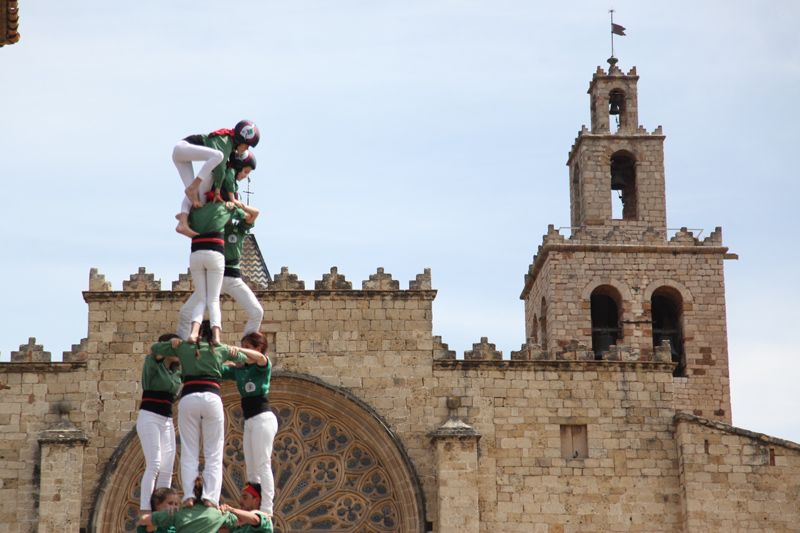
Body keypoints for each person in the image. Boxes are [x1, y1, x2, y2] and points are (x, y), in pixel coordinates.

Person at [150, 322, 267, 508]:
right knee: (214, 452)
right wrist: (233, 352)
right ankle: (210, 497)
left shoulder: (185, 347)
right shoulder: (220, 349)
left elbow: (155, 349)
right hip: (212, 398)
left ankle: (189, 496)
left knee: (189, 451)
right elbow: (250, 358)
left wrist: (172, 343)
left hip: (188, 397)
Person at [177, 195, 262, 340]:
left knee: (257, 312)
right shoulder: (210, 225)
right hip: (212, 278)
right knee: (185, 313)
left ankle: (247, 346)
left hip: (233, 278)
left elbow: (254, 214)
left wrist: (237, 204)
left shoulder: (238, 228)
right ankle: (184, 348)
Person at [173, 120, 260, 237]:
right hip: (182, 148)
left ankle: (183, 223)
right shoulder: (226, 141)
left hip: (181, 157)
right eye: (247, 145)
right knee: (218, 157)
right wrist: (218, 191)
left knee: (194, 195)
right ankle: (193, 187)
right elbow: (220, 167)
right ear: (241, 139)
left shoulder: (229, 145)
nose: (247, 148)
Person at [222, 332, 276, 516]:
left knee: (263, 463)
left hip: (263, 418)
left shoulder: (262, 366)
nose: (243, 351)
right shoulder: (240, 370)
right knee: (252, 469)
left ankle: (267, 509)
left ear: (258, 348)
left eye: (248, 347)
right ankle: (254, 506)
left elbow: (260, 358)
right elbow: (217, 369)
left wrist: (237, 350)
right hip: (250, 421)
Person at [136, 334, 182, 514]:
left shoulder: (176, 371)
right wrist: (170, 345)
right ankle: (146, 509)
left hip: (166, 420)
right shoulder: (152, 363)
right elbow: (155, 351)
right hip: (150, 416)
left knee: (167, 468)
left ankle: (163, 511)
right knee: (154, 463)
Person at [138, 477, 239, 533]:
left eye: (177, 504)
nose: (174, 507)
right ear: (158, 505)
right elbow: (145, 522)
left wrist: (227, 511)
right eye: (170, 503)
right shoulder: (156, 525)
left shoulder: (178, 518)